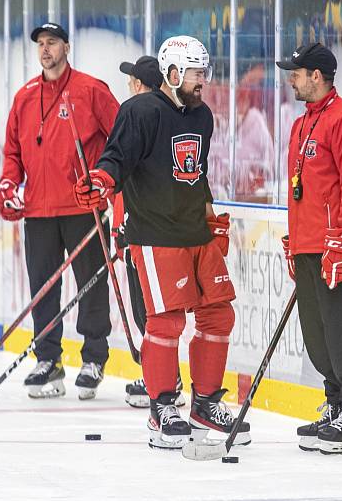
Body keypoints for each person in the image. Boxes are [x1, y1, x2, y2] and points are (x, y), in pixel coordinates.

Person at [74, 35, 247, 450]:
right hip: (155, 233)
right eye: (195, 73)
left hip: (196, 232)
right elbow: (118, 157)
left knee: (219, 314)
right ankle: (161, 406)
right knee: (167, 320)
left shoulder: (203, 116)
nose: (202, 80)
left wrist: (210, 217)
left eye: (204, 72)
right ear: (172, 74)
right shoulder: (139, 111)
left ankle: (205, 402)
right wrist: (102, 179)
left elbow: (196, 171)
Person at [0, 22, 119, 400]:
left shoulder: (91, 90)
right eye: (40, 44)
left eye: (52, 43)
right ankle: (48, 359)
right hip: (39, 210)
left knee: (91, 285)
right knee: (42, 288)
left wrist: (105, 179)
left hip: (83, 208)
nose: (45, 50)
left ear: (66, 47)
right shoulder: (25, 97)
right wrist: (10, 182)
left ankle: (94, 357)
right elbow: (12, 153)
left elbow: (120, 142)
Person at [276, 42, 342, 454]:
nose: (291, 79)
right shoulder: (302, 124)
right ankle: (336, 402)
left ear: (317, 75)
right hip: (308, 244)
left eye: (296, 73)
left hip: (337, 246)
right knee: (316, 336)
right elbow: (302, 189)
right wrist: (293, 239)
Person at [114, 55, 186, 409]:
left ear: (142, 85)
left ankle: (166, 378)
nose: (128, 85)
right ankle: (160, 375)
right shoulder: (143, 117)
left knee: (154, 309)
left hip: (152, 233)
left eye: (132, 80)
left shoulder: (144, 119)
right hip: (137, 228)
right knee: (147, 308)